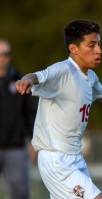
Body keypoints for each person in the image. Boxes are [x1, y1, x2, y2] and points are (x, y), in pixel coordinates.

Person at [15, 20, 102, 199]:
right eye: (92, 45)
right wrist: (26, 79)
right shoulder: (62, 71)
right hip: (56, 159)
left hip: (75, 157)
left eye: (99, 44)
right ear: (74, 49)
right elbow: (37, 76)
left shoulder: (90, 76)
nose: (99, 50)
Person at [0, 38, 37, 199]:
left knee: (20, 192)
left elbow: (31, 112)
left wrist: (33, 141)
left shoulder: (20, 80)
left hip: (16, 146)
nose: (3, 58)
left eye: (6, 54)